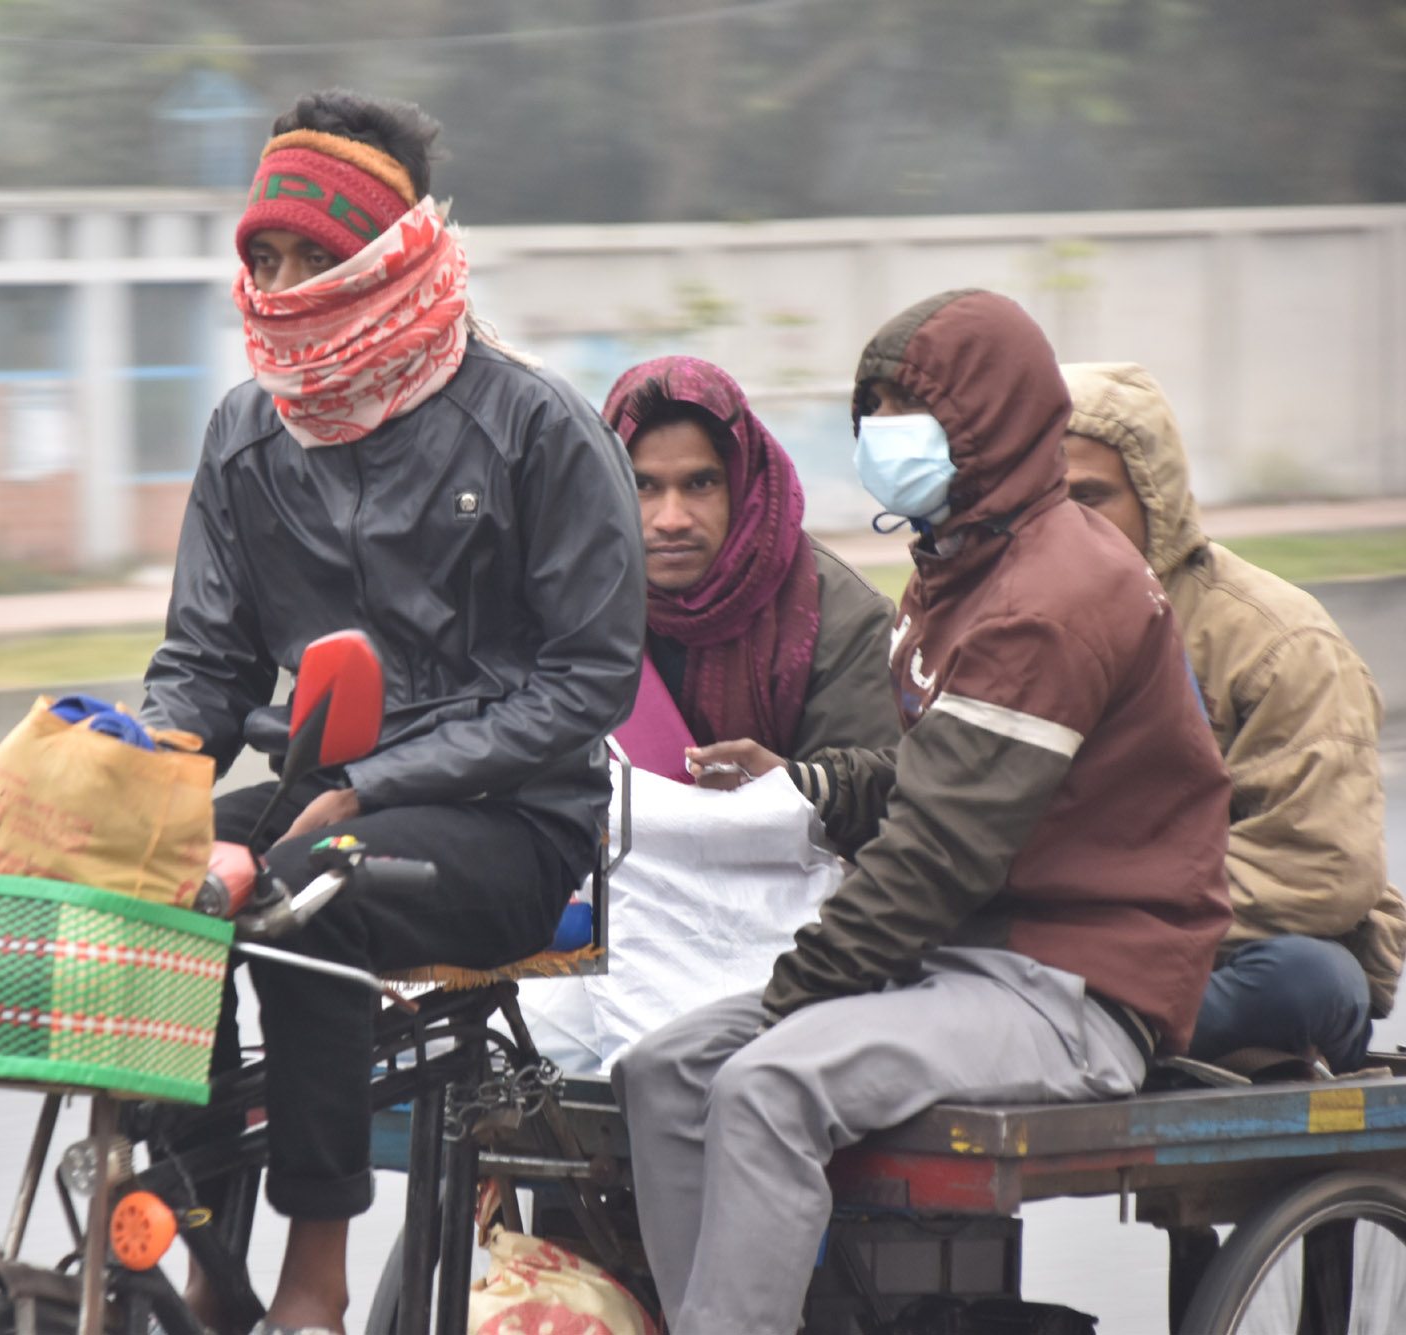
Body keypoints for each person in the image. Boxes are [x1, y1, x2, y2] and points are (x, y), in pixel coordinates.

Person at [611, 289, 1232, 1335]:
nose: (887, 437)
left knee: (767, 1083)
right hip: (960, 957)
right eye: (878, 413)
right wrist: (807, 786)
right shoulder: (960, 568)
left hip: (1070, 981)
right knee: (664, 1069)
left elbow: (938, 851)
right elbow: (921, 774)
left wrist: (797, 988)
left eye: (918, 413)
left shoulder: (1052, 593)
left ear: (991, 421)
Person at [139, 89, 644, 1335]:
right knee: (154, 885)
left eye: (305, 257)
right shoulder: (245, 437)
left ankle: (312, 1277)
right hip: (319, 787)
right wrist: (130, 782)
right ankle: (203, 1247)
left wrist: (374, 784)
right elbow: (204, 666)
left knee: (310, 888)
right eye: (262, 256)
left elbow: (587, 682)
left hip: (512, 821)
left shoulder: (533, 427)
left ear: (379, 261)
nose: (275, 285)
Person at [1061, 361, 1404, 1074]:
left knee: (1307, 980)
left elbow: (1319, 864)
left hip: (1225, 948)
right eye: (1047, 502)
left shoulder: (1278, 639)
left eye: (1092, 497)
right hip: (1063, 943)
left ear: (1156, 498)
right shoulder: (1011, 628)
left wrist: (1107, 916)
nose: (1070, 527)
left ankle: (1088, 1036)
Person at [599, 356, 901, 780]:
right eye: (643, 485)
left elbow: (877, 791)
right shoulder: (578, 603)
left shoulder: (844, 618)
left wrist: (787, 781)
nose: (672, 520)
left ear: (747, 484)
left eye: (700, 484)